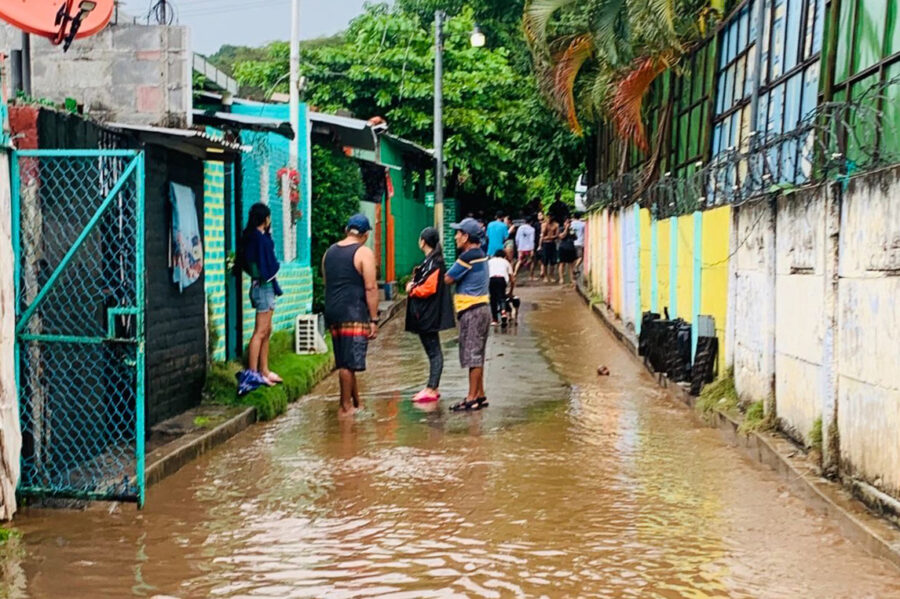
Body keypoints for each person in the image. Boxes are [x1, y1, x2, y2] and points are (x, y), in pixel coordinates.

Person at [323, 214, 379, 417]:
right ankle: (345, 407)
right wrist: (373, 319)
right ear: (364, 235)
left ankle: (357, 403)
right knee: (348, 363)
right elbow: (371, 288)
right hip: (353, 311)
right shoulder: (364, 252)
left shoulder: (329, 252)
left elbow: (327, 282)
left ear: (347, 230)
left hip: (333, 311)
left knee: (346, 359)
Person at [236, 203, 285, 396]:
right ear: (265, 219)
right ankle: (253, 373)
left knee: (267, 330)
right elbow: (269, 265)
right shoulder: (260, 240)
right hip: (264, 288)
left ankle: (264, 370)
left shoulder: (252, 237)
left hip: (260, 287)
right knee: (260, 331)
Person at [445, 217, 491, 411]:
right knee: (477, 354)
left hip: (472, 310)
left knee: (472, 355)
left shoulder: (467, 257)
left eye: (458, 233)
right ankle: (479, 394)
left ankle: (471, 398)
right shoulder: (479, 253)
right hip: (481, 309)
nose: (455, 237)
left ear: (466, 237)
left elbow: (448, 278)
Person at [405, 227, 456, 403]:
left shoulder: (435, 263)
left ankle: (432, 388)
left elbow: (429, 288)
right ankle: (432, 386)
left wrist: (412, 289)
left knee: (434, 352)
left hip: (428, 315)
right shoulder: (430, 261)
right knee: (432, 351)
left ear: (423, 241)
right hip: (425, 314)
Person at [488, 249, 515, 325]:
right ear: (504, 256)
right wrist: (511, 292)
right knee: (502, 298)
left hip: (491, 279)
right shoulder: (506, 262)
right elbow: (512, 280)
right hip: (501, 280)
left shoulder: (490, 261)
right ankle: (503, 312)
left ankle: (494, 320)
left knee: (493, 299)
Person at [558, 217, 578, 287]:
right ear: (564, 223)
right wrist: (566, 229)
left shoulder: (571, 229)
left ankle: (572, 279)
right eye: (567, 222)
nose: (568, 224)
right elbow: (561, 236)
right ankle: (561, 278)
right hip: (563, 248)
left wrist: (572, 232)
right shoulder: (561, 229)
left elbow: (575, 238)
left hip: (571, 247)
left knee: (571, 265)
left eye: (569, 222)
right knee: (562, 264)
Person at [540, 215, 560, 282]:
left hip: (552, 243)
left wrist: (549, 237)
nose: (548, 218)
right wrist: (546, 226)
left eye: (549, 217)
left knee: (553, 261)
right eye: (547, 217)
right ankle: (545, 276)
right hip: (545, 244)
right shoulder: (544, 225)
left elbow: (556, 235)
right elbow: (543, 236)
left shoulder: (556, 225)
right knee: (545, 261)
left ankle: (551, 276)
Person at [571, 211, 586, 277]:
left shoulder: (572, 224)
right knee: (580, 257)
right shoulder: (582, 224)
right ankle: (575, 267)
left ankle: (574, 271)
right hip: (580, 242)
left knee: (575, 258)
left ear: (574, 216)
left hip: (573, 242)